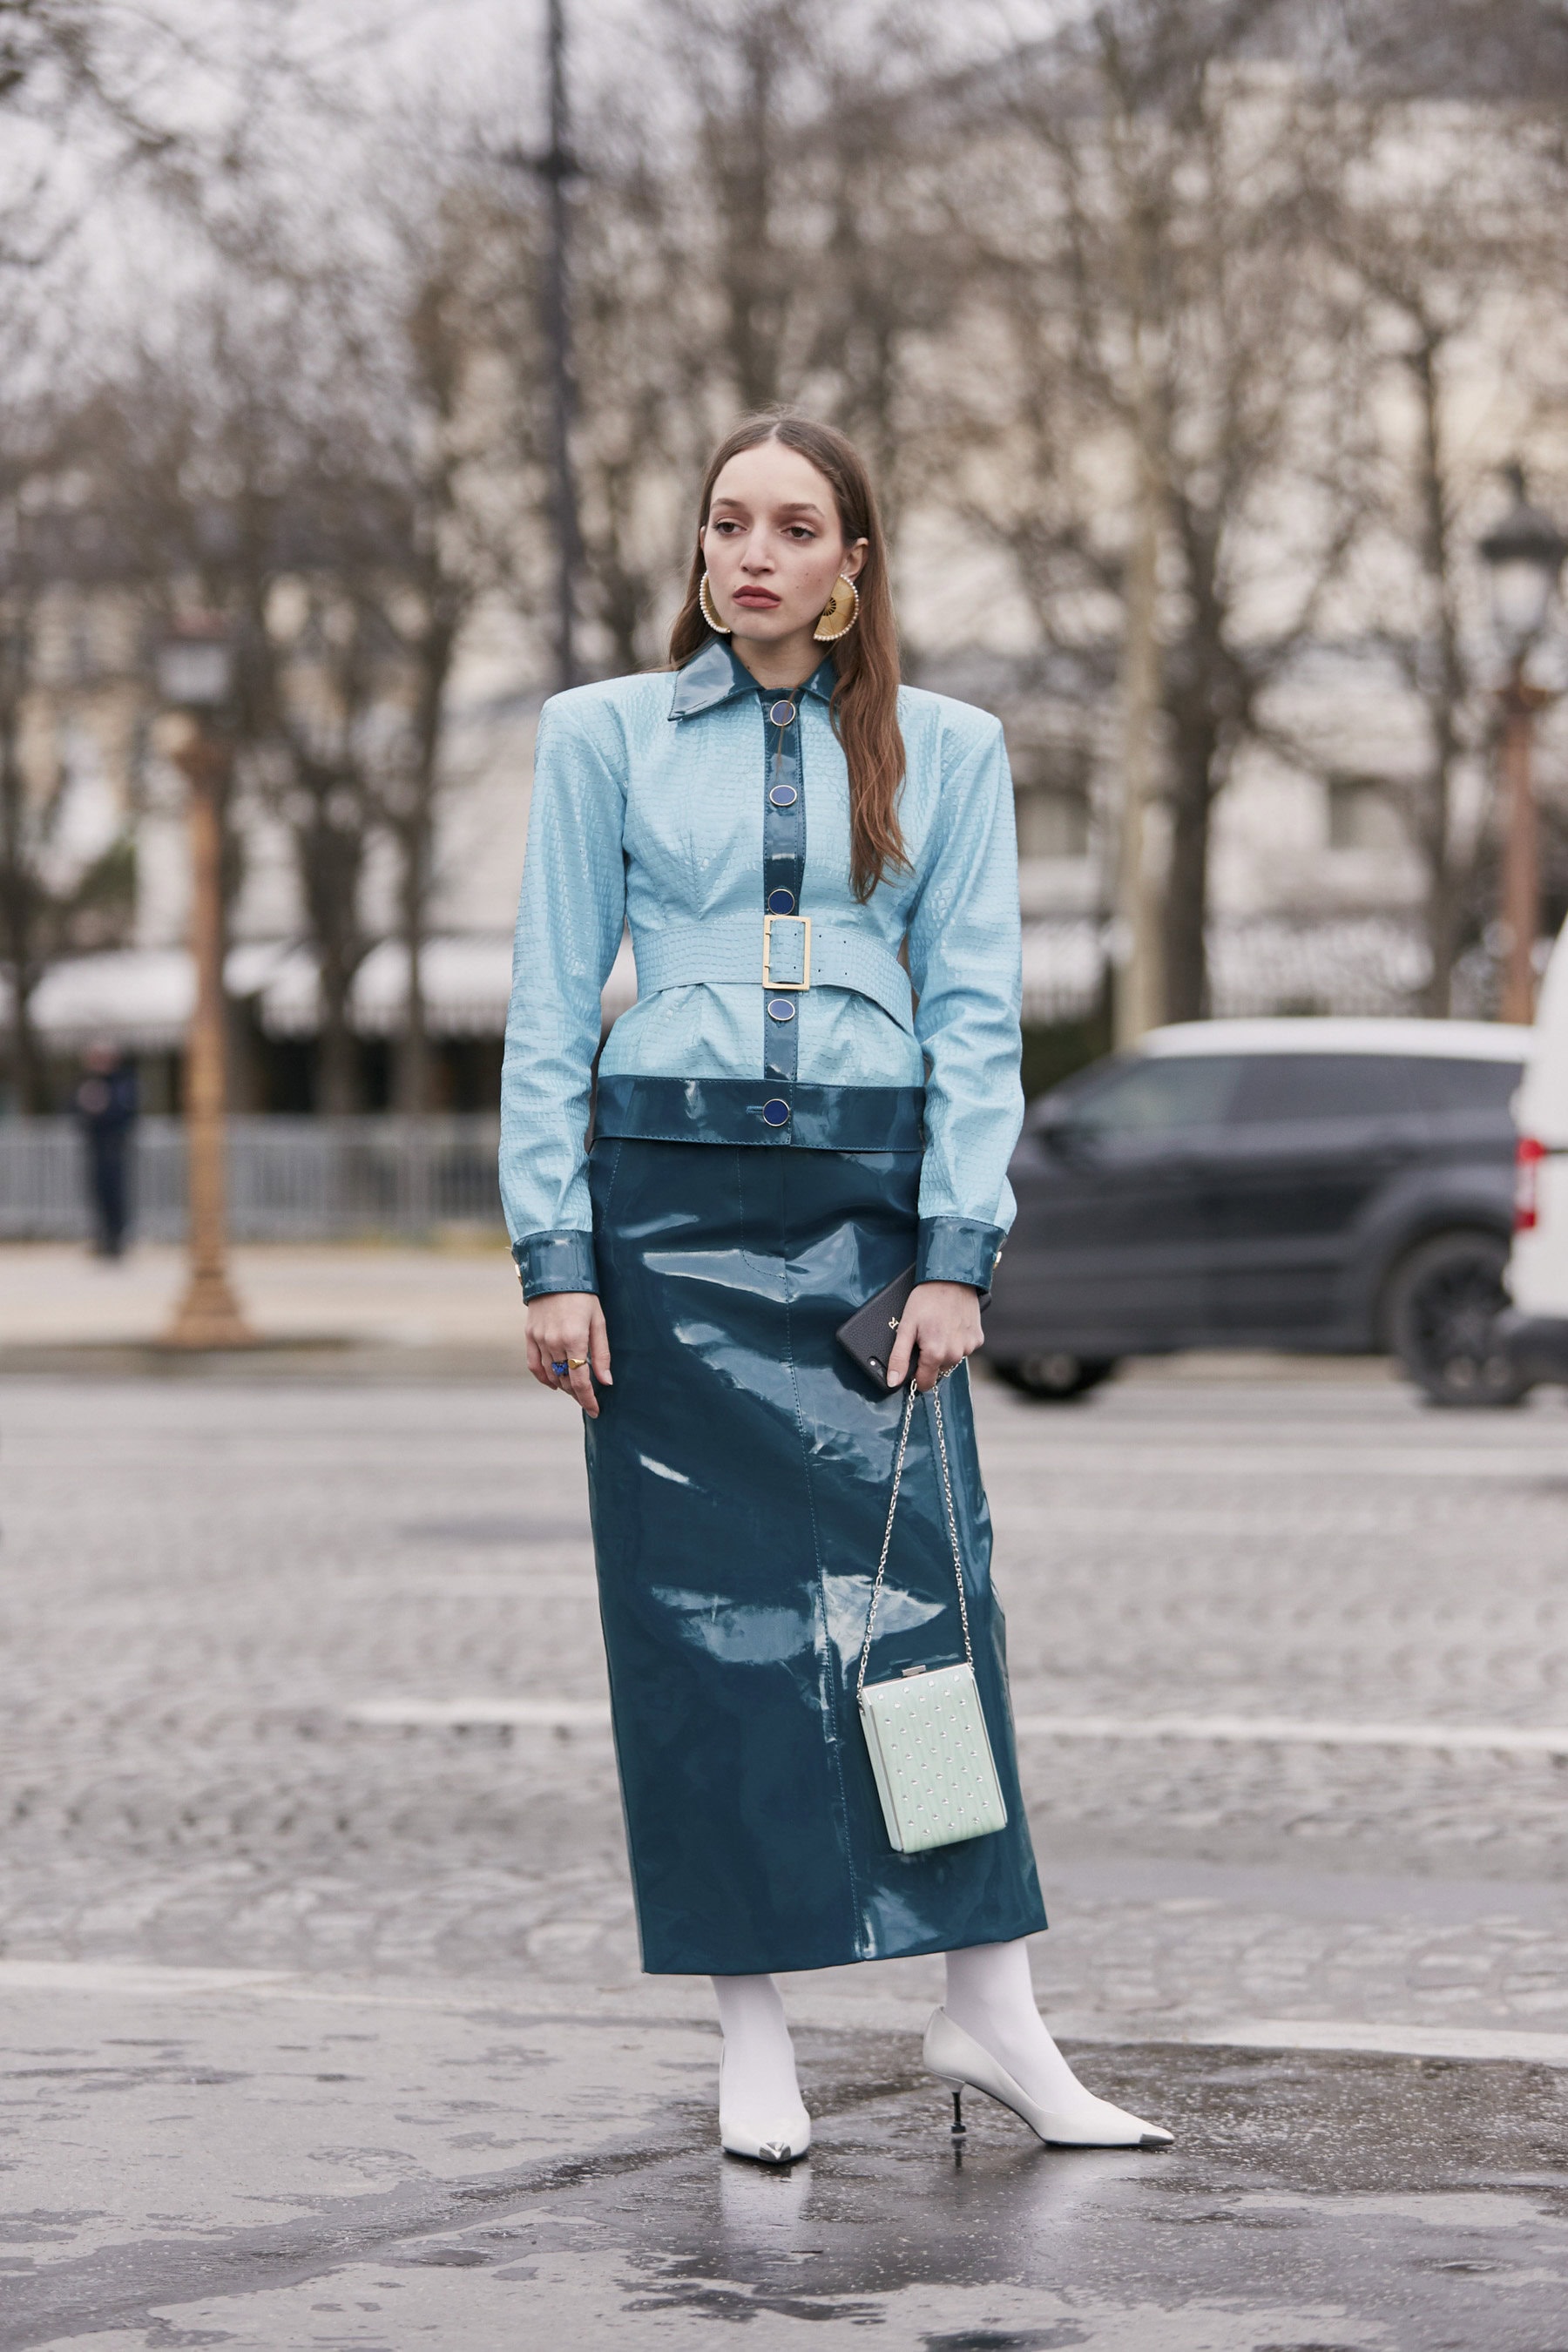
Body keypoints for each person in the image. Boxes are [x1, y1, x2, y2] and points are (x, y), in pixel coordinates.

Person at [500, 412, 1171, 2165]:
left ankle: (989, 2011)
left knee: (931, 1616)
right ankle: (755, 2032)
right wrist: (555, 1256)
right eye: (728, 524)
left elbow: (977, 1018)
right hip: (667, 1219)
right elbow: (551, 1010)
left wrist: (958, 1253)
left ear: (855, 565)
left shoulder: (953, 751)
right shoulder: (600, 738)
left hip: (872, 1222)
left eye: (796, 527)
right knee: (704, 1642)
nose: (755, 555)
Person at [75, 1041, 139, 1259]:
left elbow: (127, 1114)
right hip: (96, 1147)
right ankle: (101, 1237)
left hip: (114, 1147)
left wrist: (105, 1110)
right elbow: (76, 1113)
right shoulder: (88, 1083)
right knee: (97, 1193)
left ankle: (116, 1239)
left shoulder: (121, 1083)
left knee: (115, 1194)